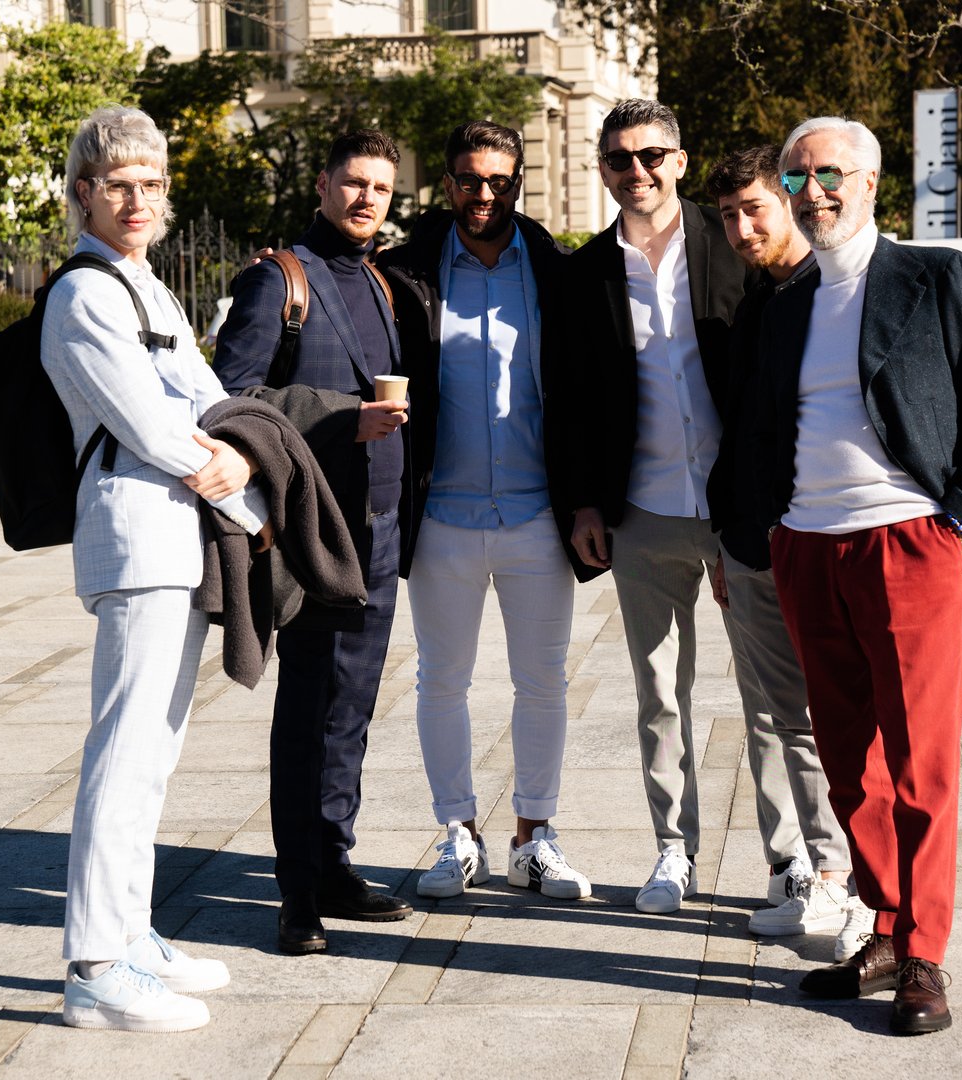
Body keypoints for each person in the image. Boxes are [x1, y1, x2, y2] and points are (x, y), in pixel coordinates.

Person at [747, 116, 962, 1035]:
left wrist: (958, 517)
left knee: (920, 763)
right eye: (797, 179)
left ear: (871, 182)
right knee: (846, 764)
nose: (814, 193)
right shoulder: (785, 302)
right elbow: (763, 427)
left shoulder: (935, 276)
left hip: (906, 541)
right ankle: (884, 920)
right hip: (806, 545)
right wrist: (764, 529)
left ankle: (922, 954)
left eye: (830, 174)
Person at [42, 105, 269, 1032]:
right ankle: (95, 967)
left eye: (150, 184)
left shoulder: (147, 287)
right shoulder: (84, 294)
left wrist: (240, 454)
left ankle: (129, 933)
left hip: (176, 538)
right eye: (117, 185)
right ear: (83, 194)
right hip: (136, 539)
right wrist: (244, 492)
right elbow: (152, 426)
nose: (136, 200)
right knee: (125, 750)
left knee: (155, 754)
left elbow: (211, 403)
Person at [374, 120, 597, 903]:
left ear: (517, 183)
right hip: (440, 515)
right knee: (441, 681)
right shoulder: (404, 272)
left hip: (537, 515)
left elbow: (585, 392)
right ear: (448, 182)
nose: (483, 194)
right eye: (469, 179)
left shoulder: (557, 269)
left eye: (499, 180)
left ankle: (534, 838)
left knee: (543, 683)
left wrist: (587, 501)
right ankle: (457, 834)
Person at [212, 130, 413, 956]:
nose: (367, 199)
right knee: (307, 708)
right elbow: (229, 400)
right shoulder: (278, 278)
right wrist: (339, 417)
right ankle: (296, 892)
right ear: (324, 185)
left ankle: (333, 862)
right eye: (354, 183)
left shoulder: (381, 281)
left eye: (381, 188)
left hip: (382, 527)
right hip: (314, 530)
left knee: (351, 707)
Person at [562, 99, 749, 915]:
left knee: (773, 695)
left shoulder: (734, 239)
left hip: (739, 506)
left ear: (678, 160)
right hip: (640, 510)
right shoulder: (583, 273)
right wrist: (581, 504)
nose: (634, 171)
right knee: (660, 692)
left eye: (649, 156)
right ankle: (674, 850)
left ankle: (792, 863)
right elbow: (567, 403)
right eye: (618, 159)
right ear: (602, 169)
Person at [703, 146, 870, 956]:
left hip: (822, 540)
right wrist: (723, 538)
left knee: (843, 717)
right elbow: (738, 434)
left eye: (754, 210)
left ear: (790, 201)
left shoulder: (834, 293)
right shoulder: (755, 301)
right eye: (727, 216)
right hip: (749, 545)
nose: (740, 229)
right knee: (781, 719)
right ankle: (825, 874)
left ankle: (866, 888)